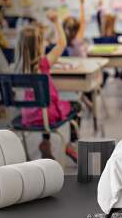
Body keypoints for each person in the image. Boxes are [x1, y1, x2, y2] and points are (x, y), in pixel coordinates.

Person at [14, 10, 80, 162]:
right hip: (47, 116)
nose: (45, 44)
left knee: (43, 107)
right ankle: (69, 144)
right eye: (43, 42)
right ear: (38, 47)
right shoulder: (44, 64)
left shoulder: (17, 69)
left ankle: (46, 144)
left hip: (28, 117)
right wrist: (56, 21)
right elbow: (62, 43)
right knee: (75, 105)